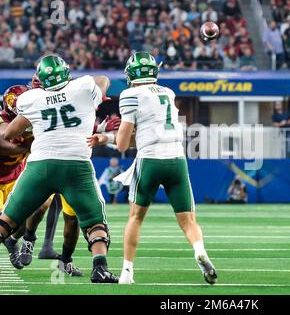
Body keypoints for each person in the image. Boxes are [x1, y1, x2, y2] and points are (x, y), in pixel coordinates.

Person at [88, 51, 217, 285]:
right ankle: (199, 250)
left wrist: (106, 136)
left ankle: (127, 272)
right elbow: (147, 131)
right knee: (188, 220)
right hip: (177, 158)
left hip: (150, 160)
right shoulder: (168, 93)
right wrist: (107, 138)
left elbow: (125, 143)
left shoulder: (130, 94)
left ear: (132, 73)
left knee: (136, 217)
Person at [0, 54, 118, 283]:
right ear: (65, 72)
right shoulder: (83, 87)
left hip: (40, 165)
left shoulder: (32, 98)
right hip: (76, 165)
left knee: (7, 221)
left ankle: (30, 243)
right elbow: (103, 79)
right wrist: (99, 96)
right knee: (95, 221)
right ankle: (99, 268)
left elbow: (9, 133)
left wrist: (33, 127)